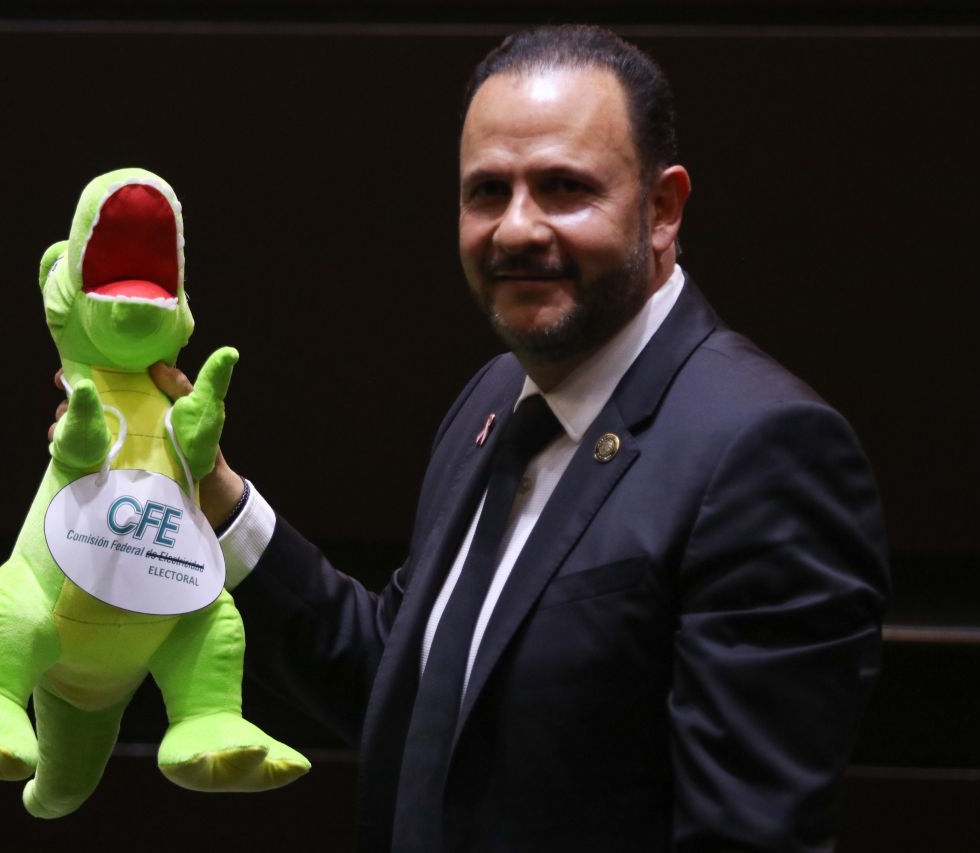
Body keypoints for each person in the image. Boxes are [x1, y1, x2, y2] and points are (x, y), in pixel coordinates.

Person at [63, 24, 889, 853]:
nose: (517, 229)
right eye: (488, 191)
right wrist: (211, 494)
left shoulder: (765, 451)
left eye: (564, 188)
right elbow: (406, 690)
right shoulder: (495, 399)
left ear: (662, 208)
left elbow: (745, 836)